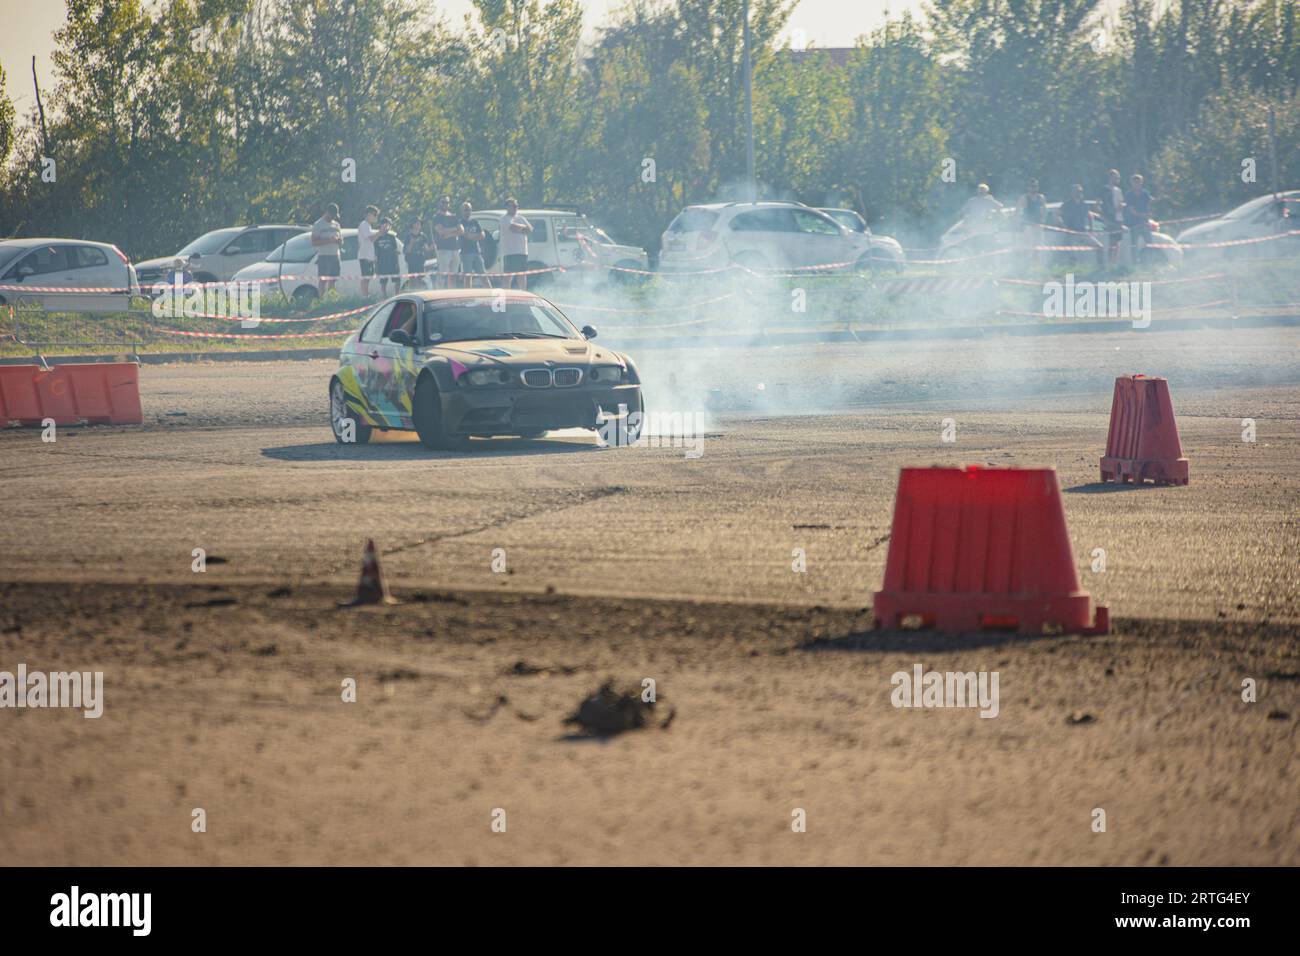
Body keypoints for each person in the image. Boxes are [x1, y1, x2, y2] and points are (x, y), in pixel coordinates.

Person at [1057, 183, 1103, 268]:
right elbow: (1058, 215)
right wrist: (1062, 225)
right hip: (1071, 233)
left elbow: (1090, 216)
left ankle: (1100, 269)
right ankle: (1072, 273)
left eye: (1081, 191)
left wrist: (1091, 230)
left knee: (1100, 247)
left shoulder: (1084, 205)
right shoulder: (1067, 204)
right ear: (1072, 192)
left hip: (1083, 232)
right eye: (1078, 191)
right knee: (1072, 255)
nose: (1080, 193)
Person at [498, 198, 533, 290]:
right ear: (507, 207)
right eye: (513, 206)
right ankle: (506, 295)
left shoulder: (521, 218)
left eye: (516, 206)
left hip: (522, 251)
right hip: (510, 252)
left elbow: (530, 229)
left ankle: (523, 293)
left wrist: (522, 228)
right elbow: (512, 227)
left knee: (522, 275)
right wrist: (523, 228)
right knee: (508, 276)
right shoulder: (504, 219)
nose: (515, 208)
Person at [311, 202, 343, 296]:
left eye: (335, 215)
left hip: (335, 255)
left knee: (333, 280)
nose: (333, 217)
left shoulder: (337, 225)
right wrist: (329, 240)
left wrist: (339, 241)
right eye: (332, 214)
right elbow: (314, 242)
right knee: (323, 281)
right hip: (324, 256)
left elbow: (341, 240)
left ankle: (331, 300)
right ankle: (321, 299)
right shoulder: (318, 224)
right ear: (327, 212)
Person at [432, 195, 462, 289]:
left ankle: (451, 292)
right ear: (439, 203)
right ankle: (439, 291)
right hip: (443, 249)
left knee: (453, 274)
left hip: (455, 248)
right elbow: (441, 231)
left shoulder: (453, 216)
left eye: (447, 202)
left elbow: (461, 230)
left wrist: (449, 234)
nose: (445, 204)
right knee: (443, 273)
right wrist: (454, 229)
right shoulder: (437, 217)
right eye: (443, 202)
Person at [1015, 178, 1047, 266]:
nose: (1033, 188)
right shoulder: (1024, 198)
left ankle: (1036, 263)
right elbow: (1017, 211)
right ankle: (1027, 264)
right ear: (1028, 187)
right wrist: (1019, 222)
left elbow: (1044, 209)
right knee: (1028, 244)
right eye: (1031, 186)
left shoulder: (1041, 197)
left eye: (1035, 186)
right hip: (1028, 225)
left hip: (1038, 224)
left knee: (1038, 244)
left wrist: (1043, 220)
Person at [1124, 173, 1154, 258]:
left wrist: (1150, 214)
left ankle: (1150, 261)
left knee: (1149, 243)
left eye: (1139, 183)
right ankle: (1134, 264)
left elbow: (1150, 204)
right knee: (1134, 245)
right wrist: (1145, 215)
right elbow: (1132, 211)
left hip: (1145, 223)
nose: (1138, 184)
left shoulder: (1145, 193)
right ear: (1132, 183)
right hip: (1133, 224)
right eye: (1135, 182)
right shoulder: (1129, 195)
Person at [458, 201, 487, 288]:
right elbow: (465, 235)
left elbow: (482, 235)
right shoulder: (460, 222)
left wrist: (473, 236)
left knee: (483, 275)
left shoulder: (475, 222)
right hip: (466, 252)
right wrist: (475, 236)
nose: (468, 212)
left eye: (469, 210)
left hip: (477, 252)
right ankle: (468, 296)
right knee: (468, 277)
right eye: (466, 210)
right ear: (462, 211)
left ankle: (490, 293)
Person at [1100, 169, 1125, 265]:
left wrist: (1120, 207)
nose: (1116, 180)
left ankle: (1114, 262)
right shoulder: (1104, 189)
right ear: (1110, 178)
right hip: (1109, 218)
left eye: (1118, 178)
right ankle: (1110, 262)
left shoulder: (1119, 190)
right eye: (1115, 177)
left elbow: (1121, 202)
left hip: (1118, 218)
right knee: (1111, 241)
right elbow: (1099, 203)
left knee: (1118, 241)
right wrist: (1104, 216)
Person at [373, 219, 401, 296]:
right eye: (384, 225)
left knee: (397, 280)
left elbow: (396, 251)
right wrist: (376, 266)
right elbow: (375, 253)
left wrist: (397, 264)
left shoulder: (392, 237)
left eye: (388, 225)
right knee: (383, 282)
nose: (386, 227)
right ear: (380, 226)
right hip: (382, 263)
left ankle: (397, 295)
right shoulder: (377, 237)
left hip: (392, 262)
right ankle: (384, 297)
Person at [357, 204, 379, 296]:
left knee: (368, 277)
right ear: (368, 214)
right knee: (365, 277)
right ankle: (364, 296)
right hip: (364, 255)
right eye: (374, 215)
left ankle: (366, 294)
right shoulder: (364, 224)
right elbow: (370, 238)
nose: (375, 217)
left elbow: (371, 240)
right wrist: (380, 232)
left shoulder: (368, 226)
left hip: (369, 256)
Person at [403, 218, 429, 289]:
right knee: (412, 277)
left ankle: (419, 290)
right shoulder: (408, 236)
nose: (419, 225)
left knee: (420, 278)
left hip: (420, 258)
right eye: (417, 223)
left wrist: (431, 247)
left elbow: (426, 248)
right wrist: (411, 242)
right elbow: (406, 251)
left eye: (420, 223)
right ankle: (412, 290)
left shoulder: (423, 236)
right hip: (411, 258)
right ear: (413, 224)